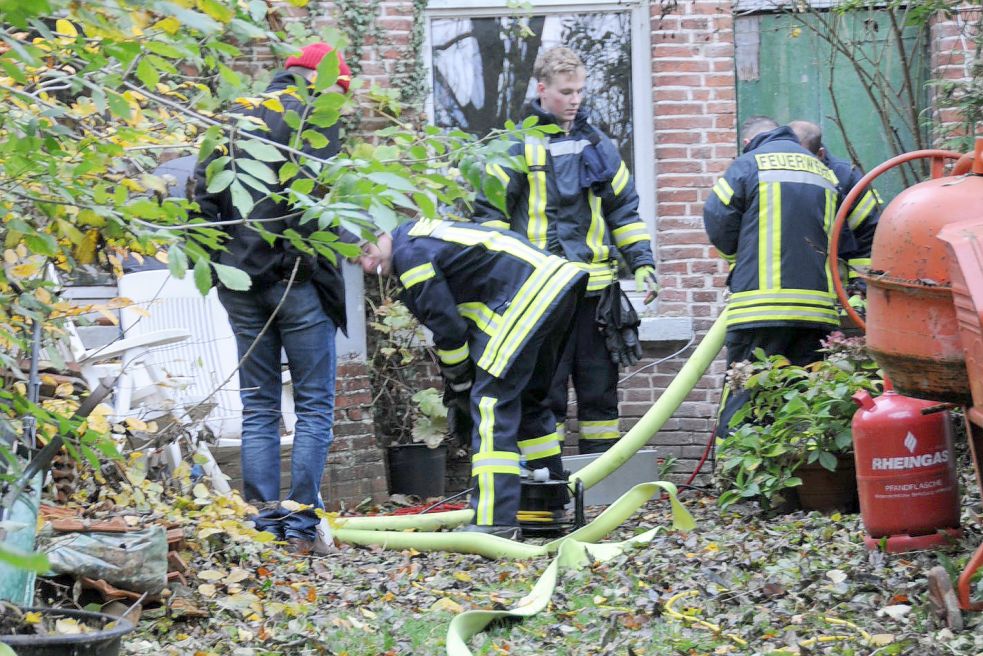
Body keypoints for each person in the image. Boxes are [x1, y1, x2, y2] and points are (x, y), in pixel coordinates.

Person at [194, 43, 353, 556]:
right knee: (312, 407)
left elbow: (200, 199)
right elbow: (313, 207)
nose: (340, 104)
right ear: (317, 79)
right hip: (297, 284)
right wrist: (296, 261)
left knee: (258, 405)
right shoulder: (311, 120)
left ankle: (262, 524)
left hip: (239, 285)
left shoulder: (234, 118)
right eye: (338, 92)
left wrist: (226, 267)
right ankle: (302, 524)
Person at [471, 47, 658, 455]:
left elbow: (623, 209)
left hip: (595, 292)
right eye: (566, 91)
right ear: (542, 90)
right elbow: (489, 218)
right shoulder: (515, 146)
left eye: (580, 91)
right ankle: (549, 489)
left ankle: (599, 489)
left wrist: (642, 263)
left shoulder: (598, 144)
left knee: (599, 395)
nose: (576, 100)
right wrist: (499, 285)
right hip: (541, 293)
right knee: (545, 395)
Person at [355, 219, 587, 539]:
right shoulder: (421, 237)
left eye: (366, 251)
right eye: (358, 262)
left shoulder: (410, 255)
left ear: (379, 232)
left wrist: (460, 381)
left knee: (491, 404)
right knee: (529, 404)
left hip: (526, 297)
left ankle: (494, 522)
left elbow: (448, 326)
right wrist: (460, 382)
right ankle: (547, 508)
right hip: (556, 288)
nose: (368, 266)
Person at [703, 116, 854, 438]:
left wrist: (740, 256)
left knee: (745, 399)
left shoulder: (747, 165)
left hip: (760, 310)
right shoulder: (824, 172)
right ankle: (796, 486)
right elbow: (843, 242)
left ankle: (738, 482)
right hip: (816, 313)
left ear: (747, 142)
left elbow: (717, 221)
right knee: (800, 404)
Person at [787, 120, 880, 278]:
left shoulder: (847, 179)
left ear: (820, 154)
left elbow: (870, 235)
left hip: (839, 292)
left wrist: (859, 290)